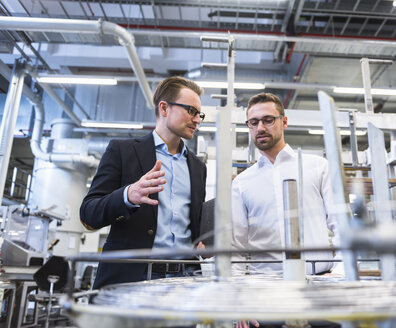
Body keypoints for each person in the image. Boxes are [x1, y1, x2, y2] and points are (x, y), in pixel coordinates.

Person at [80, 76, 207, 289]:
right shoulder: (123, 151)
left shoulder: (197, 167)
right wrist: (127, 196)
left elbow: (193, 225)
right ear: (164, 108)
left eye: (199, 114)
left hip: (185, 282)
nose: (197, 120)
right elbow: (88, 214)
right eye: (191, 111)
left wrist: (202, 241)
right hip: (132, 279)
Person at [231, 92, 343, 276]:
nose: (260, 127)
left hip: (319, 281)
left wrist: (341, 272)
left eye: (268, 120)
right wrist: (237, 287)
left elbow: (341, 226)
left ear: (284, 122)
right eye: (253, 122)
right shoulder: (242, 183)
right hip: (265, 288)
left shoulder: (318, 167)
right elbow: (236, 246)